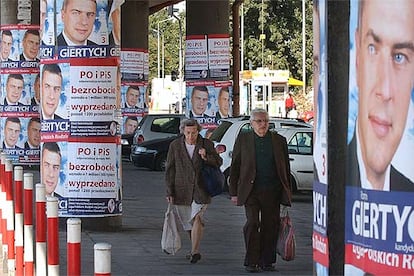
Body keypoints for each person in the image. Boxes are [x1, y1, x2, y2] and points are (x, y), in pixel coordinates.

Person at [346, 0, 414, 191]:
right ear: (358, 57)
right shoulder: (332, 183)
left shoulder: (409, 190)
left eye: (400, 56)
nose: (384, 91)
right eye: (372, 49)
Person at [229, 108, 292, 273]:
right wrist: (233, 192)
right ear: (252, 124)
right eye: (259, 121)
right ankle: (251, 261)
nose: (263, 124)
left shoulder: (279, 141)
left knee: (270, 226)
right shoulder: (243, 139)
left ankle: (267, 261)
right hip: (250, 191)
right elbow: (235, 166)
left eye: (265, 121)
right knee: (252, 223)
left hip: (273, 191)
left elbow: (285, 167)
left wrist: (287, 192)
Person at [165, 119, 222, 264]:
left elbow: (218, 162)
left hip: (201, 188)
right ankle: (194, 248)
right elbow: (170, 169)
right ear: (183, 131)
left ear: (198, 131)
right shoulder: (175, 146)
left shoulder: (206, 144)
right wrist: (169, 191)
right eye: (188, 132)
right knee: (187, 222)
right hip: (181, 189)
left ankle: (195, 252)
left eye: (194, 132)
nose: (191, 136)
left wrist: (205, 156)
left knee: (197, 217)